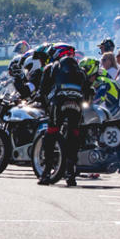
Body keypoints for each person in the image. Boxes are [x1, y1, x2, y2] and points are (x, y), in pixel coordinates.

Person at [36, 43, 88, 187]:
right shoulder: (80, 70)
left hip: (59, 102)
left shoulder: (51, 67)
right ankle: (71, 174)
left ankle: (46, 173)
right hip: (76, 103)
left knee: (51, 133)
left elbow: (42, 91)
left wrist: (43, 102)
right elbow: (88, 92)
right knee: (74, 134)